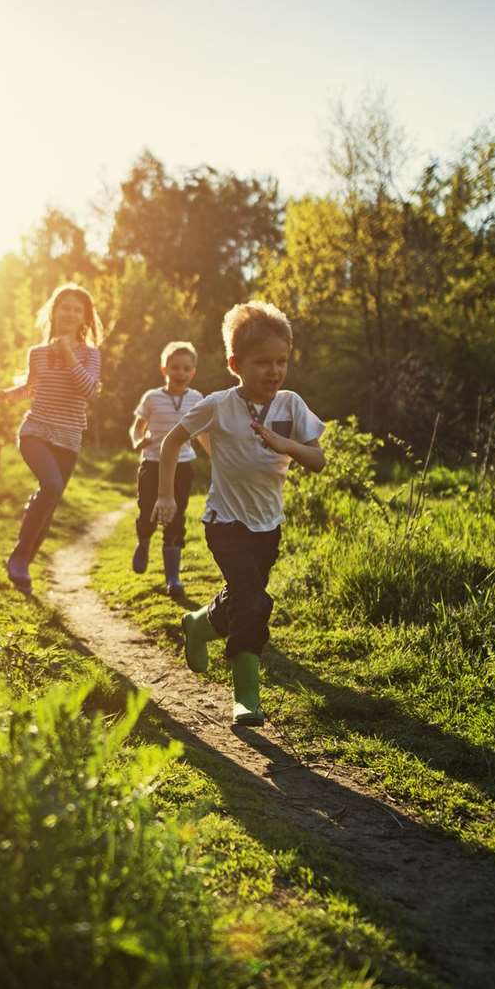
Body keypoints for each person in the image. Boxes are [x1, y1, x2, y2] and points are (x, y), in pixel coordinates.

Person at [150, 302, 325, 725]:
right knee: (253, 601)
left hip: (269, 526)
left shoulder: (291, 405)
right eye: (262, 362)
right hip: (225, 521)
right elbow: (172, 442)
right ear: (235, 363)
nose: (274, 370)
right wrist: (166, 497)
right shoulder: (218, 405)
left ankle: (199, 625)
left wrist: (289, 447)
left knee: (244, 599)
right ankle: (246, 697)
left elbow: (318, 460)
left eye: (281, 361)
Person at [0, 283, 103, 596]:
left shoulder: (91, 355)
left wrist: (69, 354)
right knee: (52, 486)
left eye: (77, 309)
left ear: (85, 318)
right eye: (64, 306)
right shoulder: (37, 354)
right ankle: (19, 558)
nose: (69, 313)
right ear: (54, 312)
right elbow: (31, 388)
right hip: (36, 431)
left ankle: (22, 562)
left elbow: (90, 391)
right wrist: (6, 396)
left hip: (69, 437)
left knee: (49, 499)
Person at [128, 341, 205, 598]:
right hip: (151, 463)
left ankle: (173, 577)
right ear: (164, 369)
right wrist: (138, 441)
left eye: (186, 368)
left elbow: (204, 431)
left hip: (183, 465)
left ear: (193, 371)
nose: (180, 373)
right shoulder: (152, 398)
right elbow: (136, 427)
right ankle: (144, 541)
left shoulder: (197, 399)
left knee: (176, 516)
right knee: (148, 510)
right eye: (175, 368)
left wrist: (219, 455)